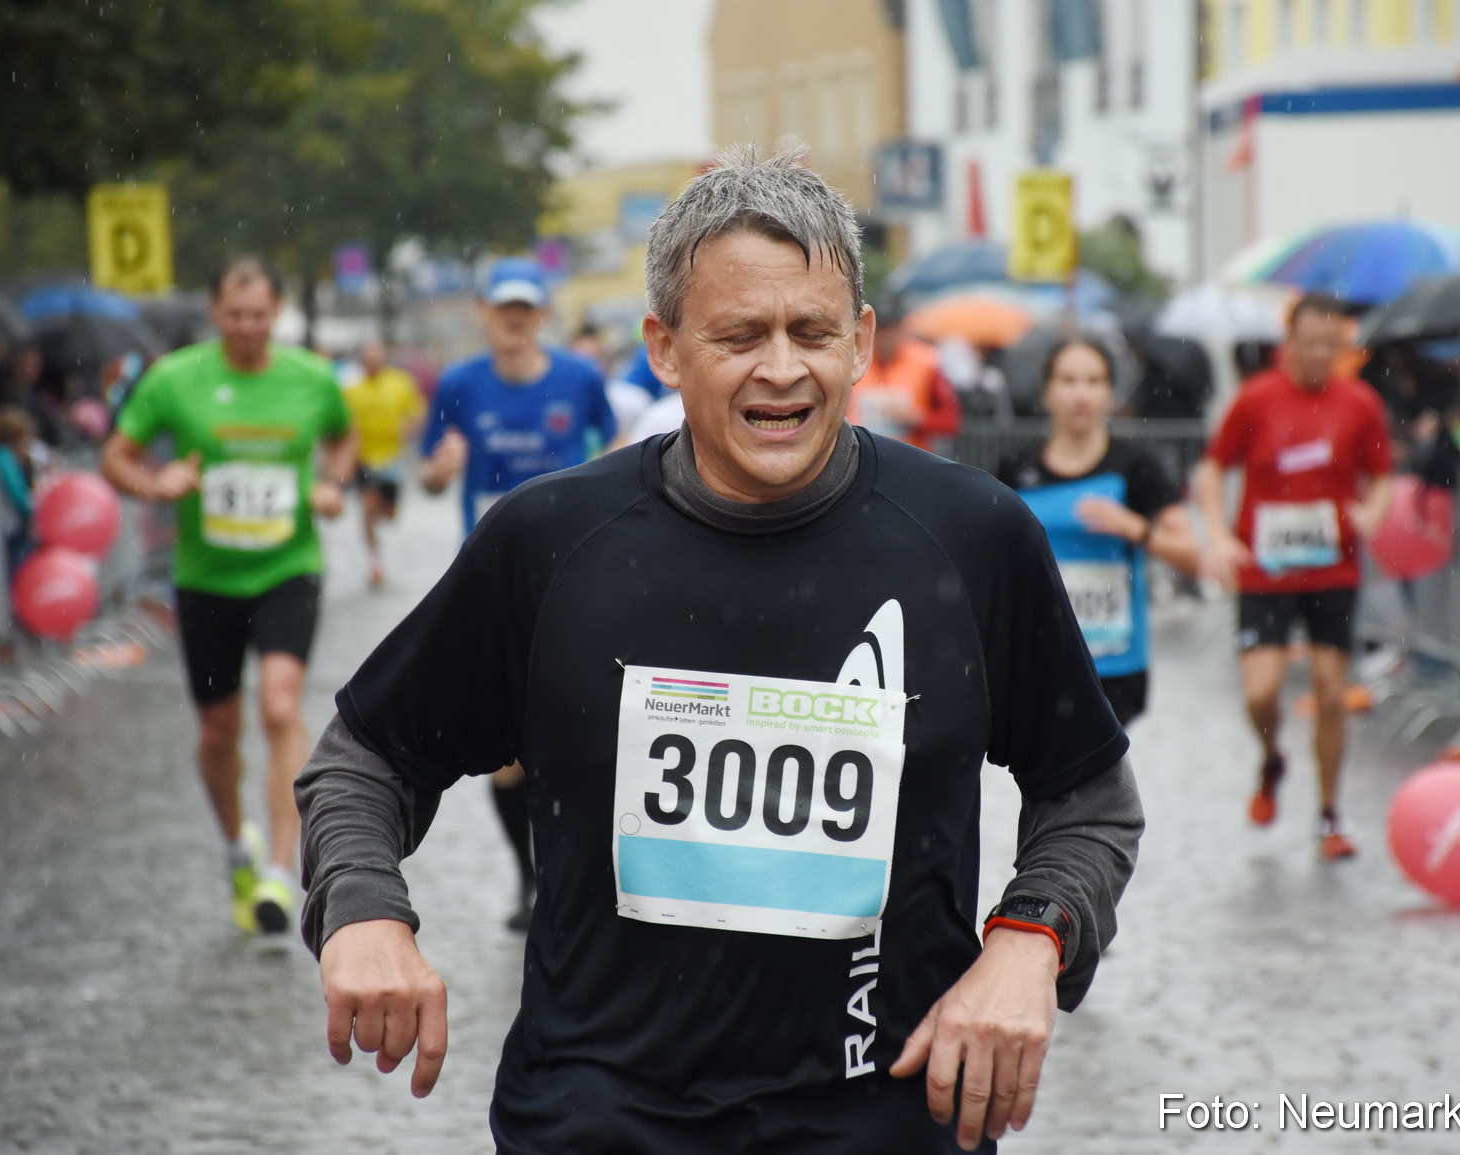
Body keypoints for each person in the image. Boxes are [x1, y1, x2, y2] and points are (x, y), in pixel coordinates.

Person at [298, 147, 1143, 1154]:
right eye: (740, 335)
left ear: (863, 340)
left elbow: (1088, 796)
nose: (781, 369)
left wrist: (1029, 938)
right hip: (600, 1122)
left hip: (884, 1121)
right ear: (663, 347)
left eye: (812, 332)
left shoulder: (970, 537)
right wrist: (362, 911)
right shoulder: (551, 543)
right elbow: (366, 756)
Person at [102, 256, 356, 934]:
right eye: (235, 315)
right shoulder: (176, 378)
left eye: (260, 315)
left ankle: (279, 867)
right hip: (206, 577)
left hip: (287, 566)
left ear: (276, 314)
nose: (248, 327)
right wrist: (154, 484)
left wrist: (333, 484)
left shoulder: (309, 377)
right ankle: (233, 844)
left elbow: (342, 436)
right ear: (216, 313)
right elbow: (116, 456)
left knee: (280, 703)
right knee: (219, 729)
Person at [416, 257, 619, 930]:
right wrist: (440, 473)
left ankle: (579, 874)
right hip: (492, 583)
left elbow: (616, 448)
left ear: (542, 314)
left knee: (574, 735)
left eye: (525, 307)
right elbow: (430, 472)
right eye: (503, 306)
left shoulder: (581, 378)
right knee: (504, 756)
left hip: (574, 580)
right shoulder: (459, 383)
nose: (514, 318)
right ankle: (530, 879)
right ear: (483, 311)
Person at [1192, 292, 1393, 861]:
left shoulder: (1360, 404)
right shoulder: (1256, 400)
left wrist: (1375, 511)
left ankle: (1330, 815)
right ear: (1290, 341)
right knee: (1261, 693)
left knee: (1332, 694)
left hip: (1333, 568)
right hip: (1265, 572)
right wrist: (1218, 532)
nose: (1320, 355)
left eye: (1332, 345)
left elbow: (1382, 475)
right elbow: (1212, 468)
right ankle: (1271, 757)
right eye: (1310, 344)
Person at [997, 337, 1200, 726]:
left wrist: (1135, 528)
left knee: (1095, 779)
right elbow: (989, 554)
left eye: (1094, 381)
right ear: (1048, 391)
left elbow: (1191, 554)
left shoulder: (1136, 464)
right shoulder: (1016, 466)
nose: (1081, 393)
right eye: (1069, 380)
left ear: (1110, 393)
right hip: (1039, 655)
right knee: (1043, 780)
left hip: (1114, 658)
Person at [342, 338, 425, 589]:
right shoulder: (352, 390)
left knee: (389, 515)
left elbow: (418, 412)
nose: (372, 365)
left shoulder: (400, 383)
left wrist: (407, 429)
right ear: (362, 362)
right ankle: (375, 561)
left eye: (377, 360)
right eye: (368, 361)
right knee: (367, 509)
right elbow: (343, 426)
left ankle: (382, 513)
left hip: (392, 459)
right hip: (364, 458)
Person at [850, 295, 962, 453]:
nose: (885, 336)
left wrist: (917, 420)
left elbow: (951, 420)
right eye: (880, 328)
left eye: (891, 328)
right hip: (861, 458)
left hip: (910, 459)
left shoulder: (927, 361)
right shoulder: (853, 359)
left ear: (903, 327)